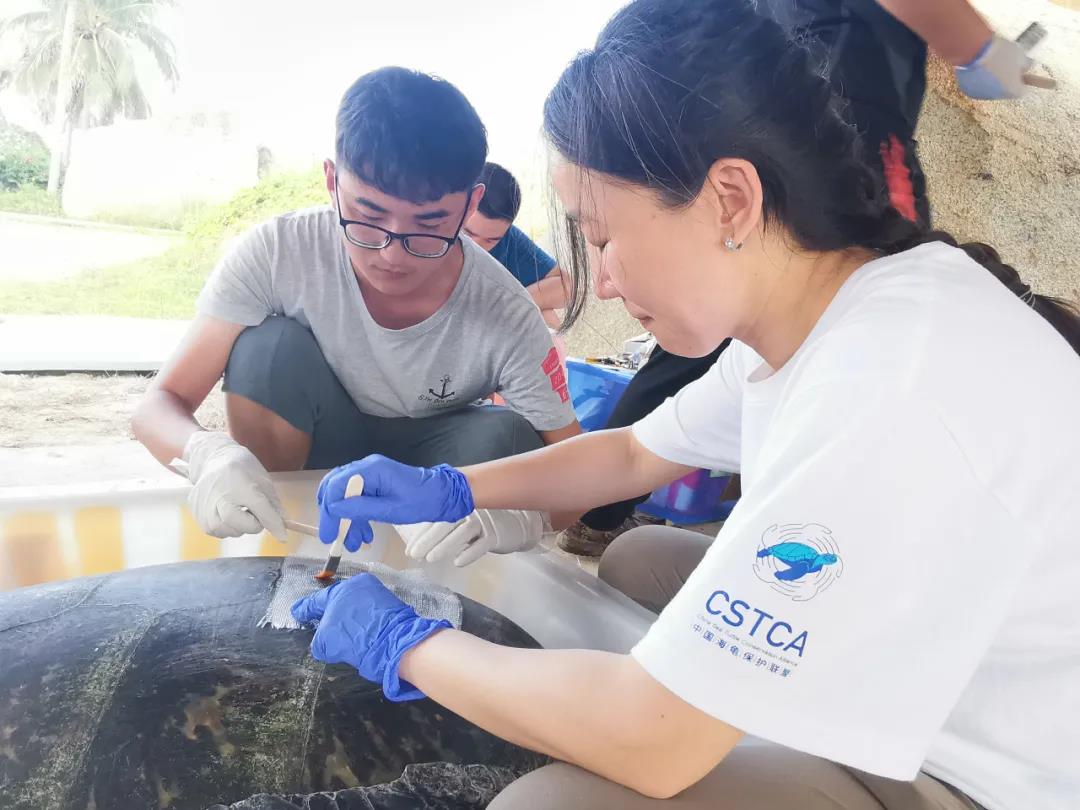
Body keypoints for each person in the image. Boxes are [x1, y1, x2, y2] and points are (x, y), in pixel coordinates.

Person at [290, 0, 1080, 808]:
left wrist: (407, 645)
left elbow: (654, 747)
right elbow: (635, 453)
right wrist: (453, 487)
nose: (602, 282)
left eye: (601, 237)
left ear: (730, 199)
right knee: (639, 560)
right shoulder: (821, 314)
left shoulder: (884, 387)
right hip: (916, 662)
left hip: (977, 771)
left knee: (547, 804)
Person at [556, 0, 1042, 556]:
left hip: (782, 120)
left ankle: (767, 526)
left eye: (602, 240)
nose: (603, 285)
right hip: (846, 129)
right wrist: (983, 53)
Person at [131, 67, 579, 542]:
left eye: (428, 227)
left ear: (470, 207)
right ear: (332, 181)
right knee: (267, 350)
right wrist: (207, 453)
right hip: (315, 450)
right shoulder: (280, 252)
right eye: (368, 216)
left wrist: (527, 519)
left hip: (432, 475)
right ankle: (279, 531)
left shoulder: (505, 310)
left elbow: (577, 470)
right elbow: (158, 405)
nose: (392, 255)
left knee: (507, 437)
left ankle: (454, 560)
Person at [463, 161, 570, 329]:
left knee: (541, 313)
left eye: (490, 240)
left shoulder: (508, 240)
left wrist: (506, 305)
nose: (476, 247)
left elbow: (566, 287)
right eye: (467, 233)